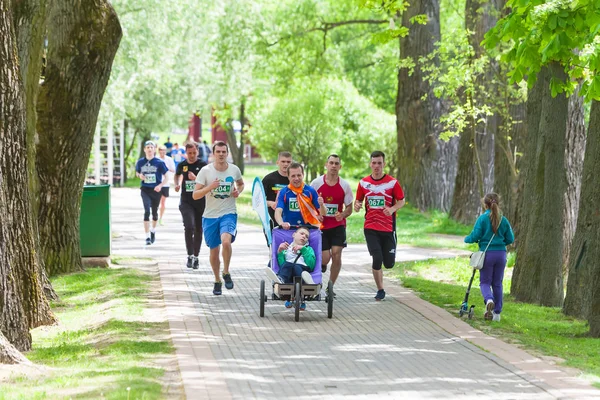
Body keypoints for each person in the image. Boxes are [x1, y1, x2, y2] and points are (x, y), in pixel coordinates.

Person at [193, 141, 244, 295]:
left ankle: (226, 272)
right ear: (214, 153)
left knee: (226, 241)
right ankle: (217, 280)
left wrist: (238, 192)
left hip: (228, 213)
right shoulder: (205, 171)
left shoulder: (234, 170)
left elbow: (241, 184)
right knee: (214, 252)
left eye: (224, 152)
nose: (221, 154)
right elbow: (195, 195)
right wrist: (210, 187)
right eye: (218, 152)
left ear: (227, 153)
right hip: (209, 216)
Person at [354, 150, 405, 301]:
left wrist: (392, 209)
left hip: (388, 228)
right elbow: (358, 201)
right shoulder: (363, 183)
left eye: (379, 163)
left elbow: (401, 200)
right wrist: (357, 206)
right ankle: (380, 289)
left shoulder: (392, 183)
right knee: (377, 258)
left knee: (388, 263)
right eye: (374, 163)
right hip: (370, 227)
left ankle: (387, 263)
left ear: (384, 164)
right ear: (370, 164)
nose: (376, 166)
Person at [464, 193, 514, 321]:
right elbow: (510, 238)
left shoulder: (482, 219)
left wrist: (467, 239)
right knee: (497, 284)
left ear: (485, 204)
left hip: (487, 255)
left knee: (485, 282)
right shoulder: (504, 220)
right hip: (501, 254)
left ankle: (489, 300)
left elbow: (475, 235)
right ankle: (497, 314)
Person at [310, 154, 353, 297]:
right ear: (326, 165)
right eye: (331, 163)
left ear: (340, 167)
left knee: (336, 254)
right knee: (325, 258)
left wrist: (342, 215)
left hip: (337, 226)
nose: (334, 166)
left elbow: (349, 208)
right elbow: (308, 204)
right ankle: (321, 266)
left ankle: (330, 286)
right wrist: (316, 215)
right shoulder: (316, 183)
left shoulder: (344, 185)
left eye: (336, 164)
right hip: (321, 226)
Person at [174, 143, 207, 269]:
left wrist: (196, 179)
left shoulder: (203, 165)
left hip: (200, 202)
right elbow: (177, 175)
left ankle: (196, 257)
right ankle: (189, 255)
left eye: (194, 153)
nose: (192, 155)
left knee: (199, 229)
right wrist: (176, 184)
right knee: (189, 226)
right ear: (186, 153)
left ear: (197, 152)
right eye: (189, 153)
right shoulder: (182, 165)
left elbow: (208, 182)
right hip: (186, 201)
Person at [267, 227, 315, 311]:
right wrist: (280, 252)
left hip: (302, 270)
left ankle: (307, 282)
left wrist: (303, 249)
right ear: (294, 235)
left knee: (296, 266)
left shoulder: (308, 249)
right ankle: (281, 280)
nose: (304, 236)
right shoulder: (286, 249)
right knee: (286, 265)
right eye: (302, 233)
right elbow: (282, 264)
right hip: (289, 272)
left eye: (306, 236)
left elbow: (311, 265)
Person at [135, 141, 169, 245]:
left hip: (156, 190)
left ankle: (153, 230)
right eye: (147, 147)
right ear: (144, 149)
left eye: (151, 147)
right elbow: (137, 172)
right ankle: (147, 237)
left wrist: (160, 185)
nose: (149, 149)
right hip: (145, 189)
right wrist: (139, 176)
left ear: (154, 149)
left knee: (154, 213)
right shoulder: (140, 162)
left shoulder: (159, 162)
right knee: (146, 211)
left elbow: (167, 176)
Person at [274, 162, 323, 229]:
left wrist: (322, 205)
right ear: (288, 177)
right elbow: (278, 211)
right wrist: (281, 223)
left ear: (303, 175)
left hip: (308, 230)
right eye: (293, 176)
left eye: (299, 175)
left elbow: (323, 213)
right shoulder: (284, 192)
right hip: (289, 230)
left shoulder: (310, 191)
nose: (296, 178)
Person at [262, 151, 292, 229]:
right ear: (277, 162)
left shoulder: (295, 180)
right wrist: (271, 203)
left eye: (288, 162)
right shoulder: (268, 179)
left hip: (290, 221)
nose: (286, 164)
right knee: (273, 242)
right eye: (283, 161)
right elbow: (259, 201)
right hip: (271, 220)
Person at [157, 145, 176, 226]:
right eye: (161, 150)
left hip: (166, 183)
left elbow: (173, 170)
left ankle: (161, 218)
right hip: (157, 183)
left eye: (164, 150)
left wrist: (166, 168)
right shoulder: (156, 159)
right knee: (155, 202)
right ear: (159, 151)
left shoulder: (169, 159)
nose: (162, 152)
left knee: (163, 202)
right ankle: (155, 216)